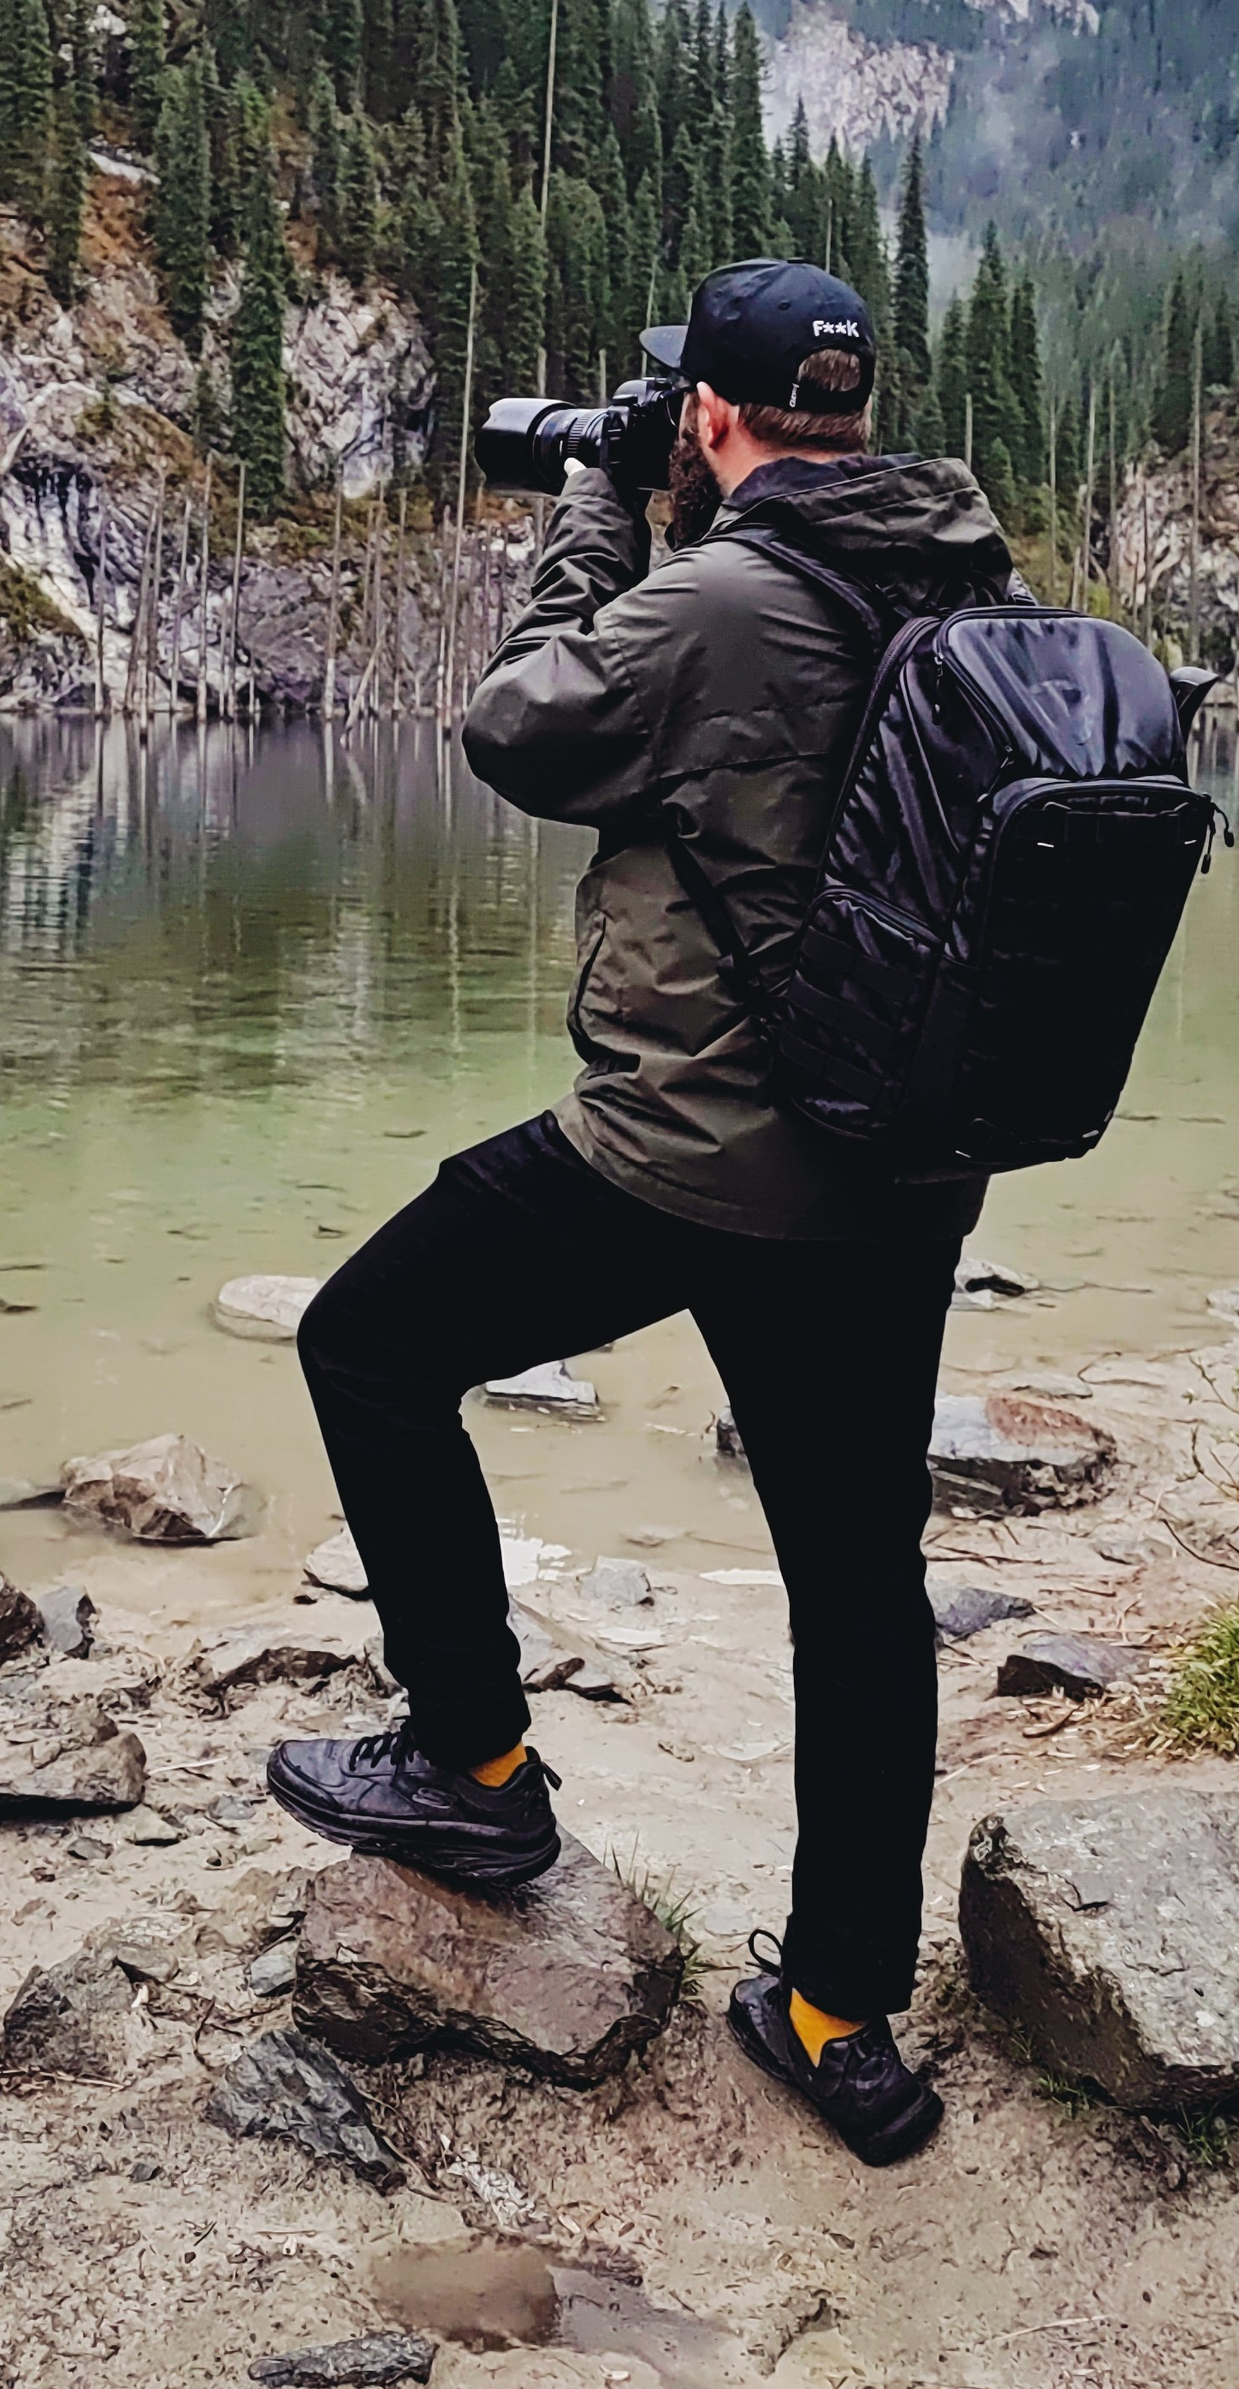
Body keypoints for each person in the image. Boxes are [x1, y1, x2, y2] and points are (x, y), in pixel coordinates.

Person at [265, 255, 1018, 2168]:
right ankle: (840, 2013)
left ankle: (475, 1763)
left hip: (693, 1155)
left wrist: (593, 510)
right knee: (860, 1582)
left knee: (366, 1345)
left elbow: (517, 725)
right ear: (849, 411)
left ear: (713, 415)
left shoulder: (721, 598)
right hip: (900, 1170)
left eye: (678, 404)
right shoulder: (952, 572)